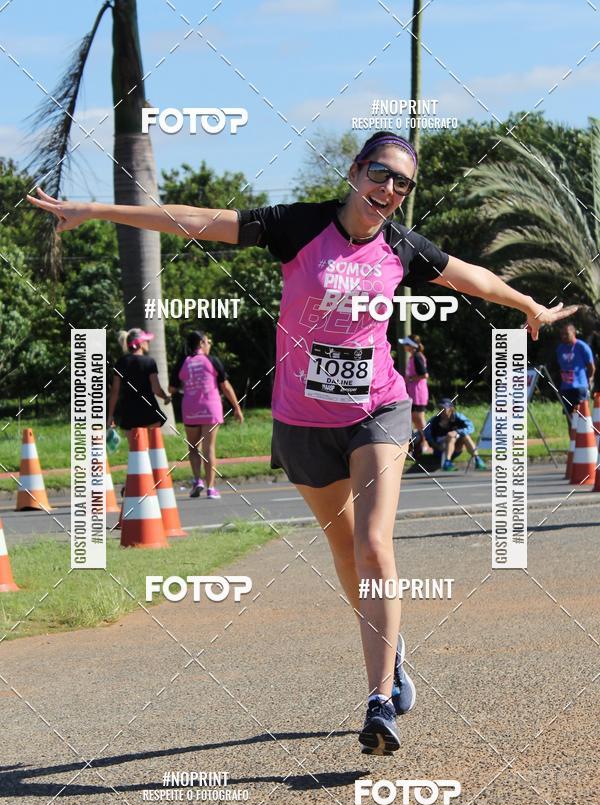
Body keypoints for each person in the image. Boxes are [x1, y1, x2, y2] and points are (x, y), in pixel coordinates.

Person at [28, 131, 577, 755]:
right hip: (301, 422)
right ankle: (392, 655)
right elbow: (197, 220)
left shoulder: (399, 244)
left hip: (378, 410)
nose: (390, 190)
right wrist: (96, 208)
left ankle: (376, 702)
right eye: (380, 174)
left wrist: (528, 304)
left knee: (373, 542)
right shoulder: (298, 227)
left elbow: (469, 276)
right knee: (345, 552)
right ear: (354, 171)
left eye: (403, 183)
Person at [170, 330, 244, 499]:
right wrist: (237, 408)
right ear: (202, 343)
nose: (209, 344)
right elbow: (225, 386)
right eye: (208, 341)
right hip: (210, 408)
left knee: (193, 447)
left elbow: (172, 389)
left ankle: (197, 481)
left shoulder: (183, 361)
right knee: (209, 448)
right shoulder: (212, 361)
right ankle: (211, 488)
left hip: (190, 409)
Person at [107, 328, 171, 436]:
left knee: (135, 449)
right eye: (146, 340)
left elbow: (115, 392)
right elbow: (156, 389)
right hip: (148, 411)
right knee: (152, 448)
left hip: (128, 412)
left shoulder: (121, 363)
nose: (149, 342)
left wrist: (110, 416)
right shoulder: (149, 362)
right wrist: (165, 397)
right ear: (140, 343)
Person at [424, 399, 486, 471]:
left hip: (456, 447)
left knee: (465, 436)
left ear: (451, 409)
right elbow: (426, 433)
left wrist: (457, 432)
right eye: (439, 408)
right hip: (440, 449)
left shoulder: (458, 417)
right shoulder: (434, 420)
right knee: (451, 436)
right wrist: (434, 444)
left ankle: (477, 459)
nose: (441, 411)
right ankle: (447, 462)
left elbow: (471, 427)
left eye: (443, 408)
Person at [556, 324, 595, 434]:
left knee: (583, 416)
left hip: (580, 387)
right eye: (562, 334)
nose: (563, 336)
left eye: (566, 334)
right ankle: (573, 446)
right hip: (565, 388)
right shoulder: (560, 349)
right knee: (569, 418)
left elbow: (591, 367)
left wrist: (589, 379)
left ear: (573, 333)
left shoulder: (582, 347)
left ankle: (588, 445)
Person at [400, 334, 431, 452]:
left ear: (411, 346)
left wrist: (410, 379)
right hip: (413, 392)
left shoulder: (417, 357)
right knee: (413, 418)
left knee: (419, 418)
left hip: (418, 393)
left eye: (405, 344)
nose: (404, 346)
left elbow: (424, 375)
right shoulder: (412, 357)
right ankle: (421, 442)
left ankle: (427, 442)